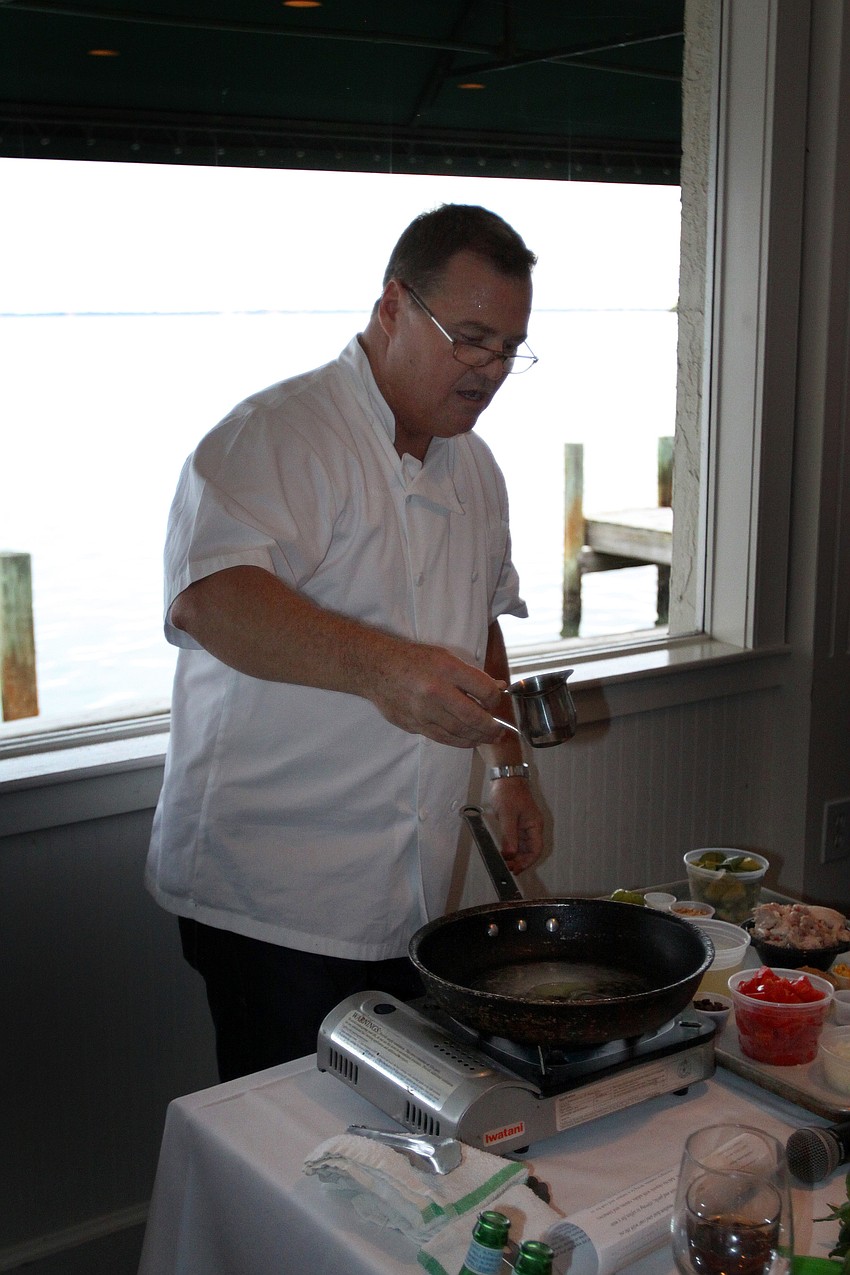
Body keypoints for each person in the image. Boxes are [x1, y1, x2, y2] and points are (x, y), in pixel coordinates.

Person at [145, 203, 546, 1081]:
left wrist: (510, 766)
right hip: (272, 897)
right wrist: (387, 671)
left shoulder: (472, 465)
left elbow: (479, 620)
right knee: (295, 1160)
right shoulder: (278, 435)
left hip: (408, 888)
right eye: (471, 338)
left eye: (510, 347)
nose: (491, 370)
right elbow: (213, 599)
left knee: (381, 1153)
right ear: (393, 306)